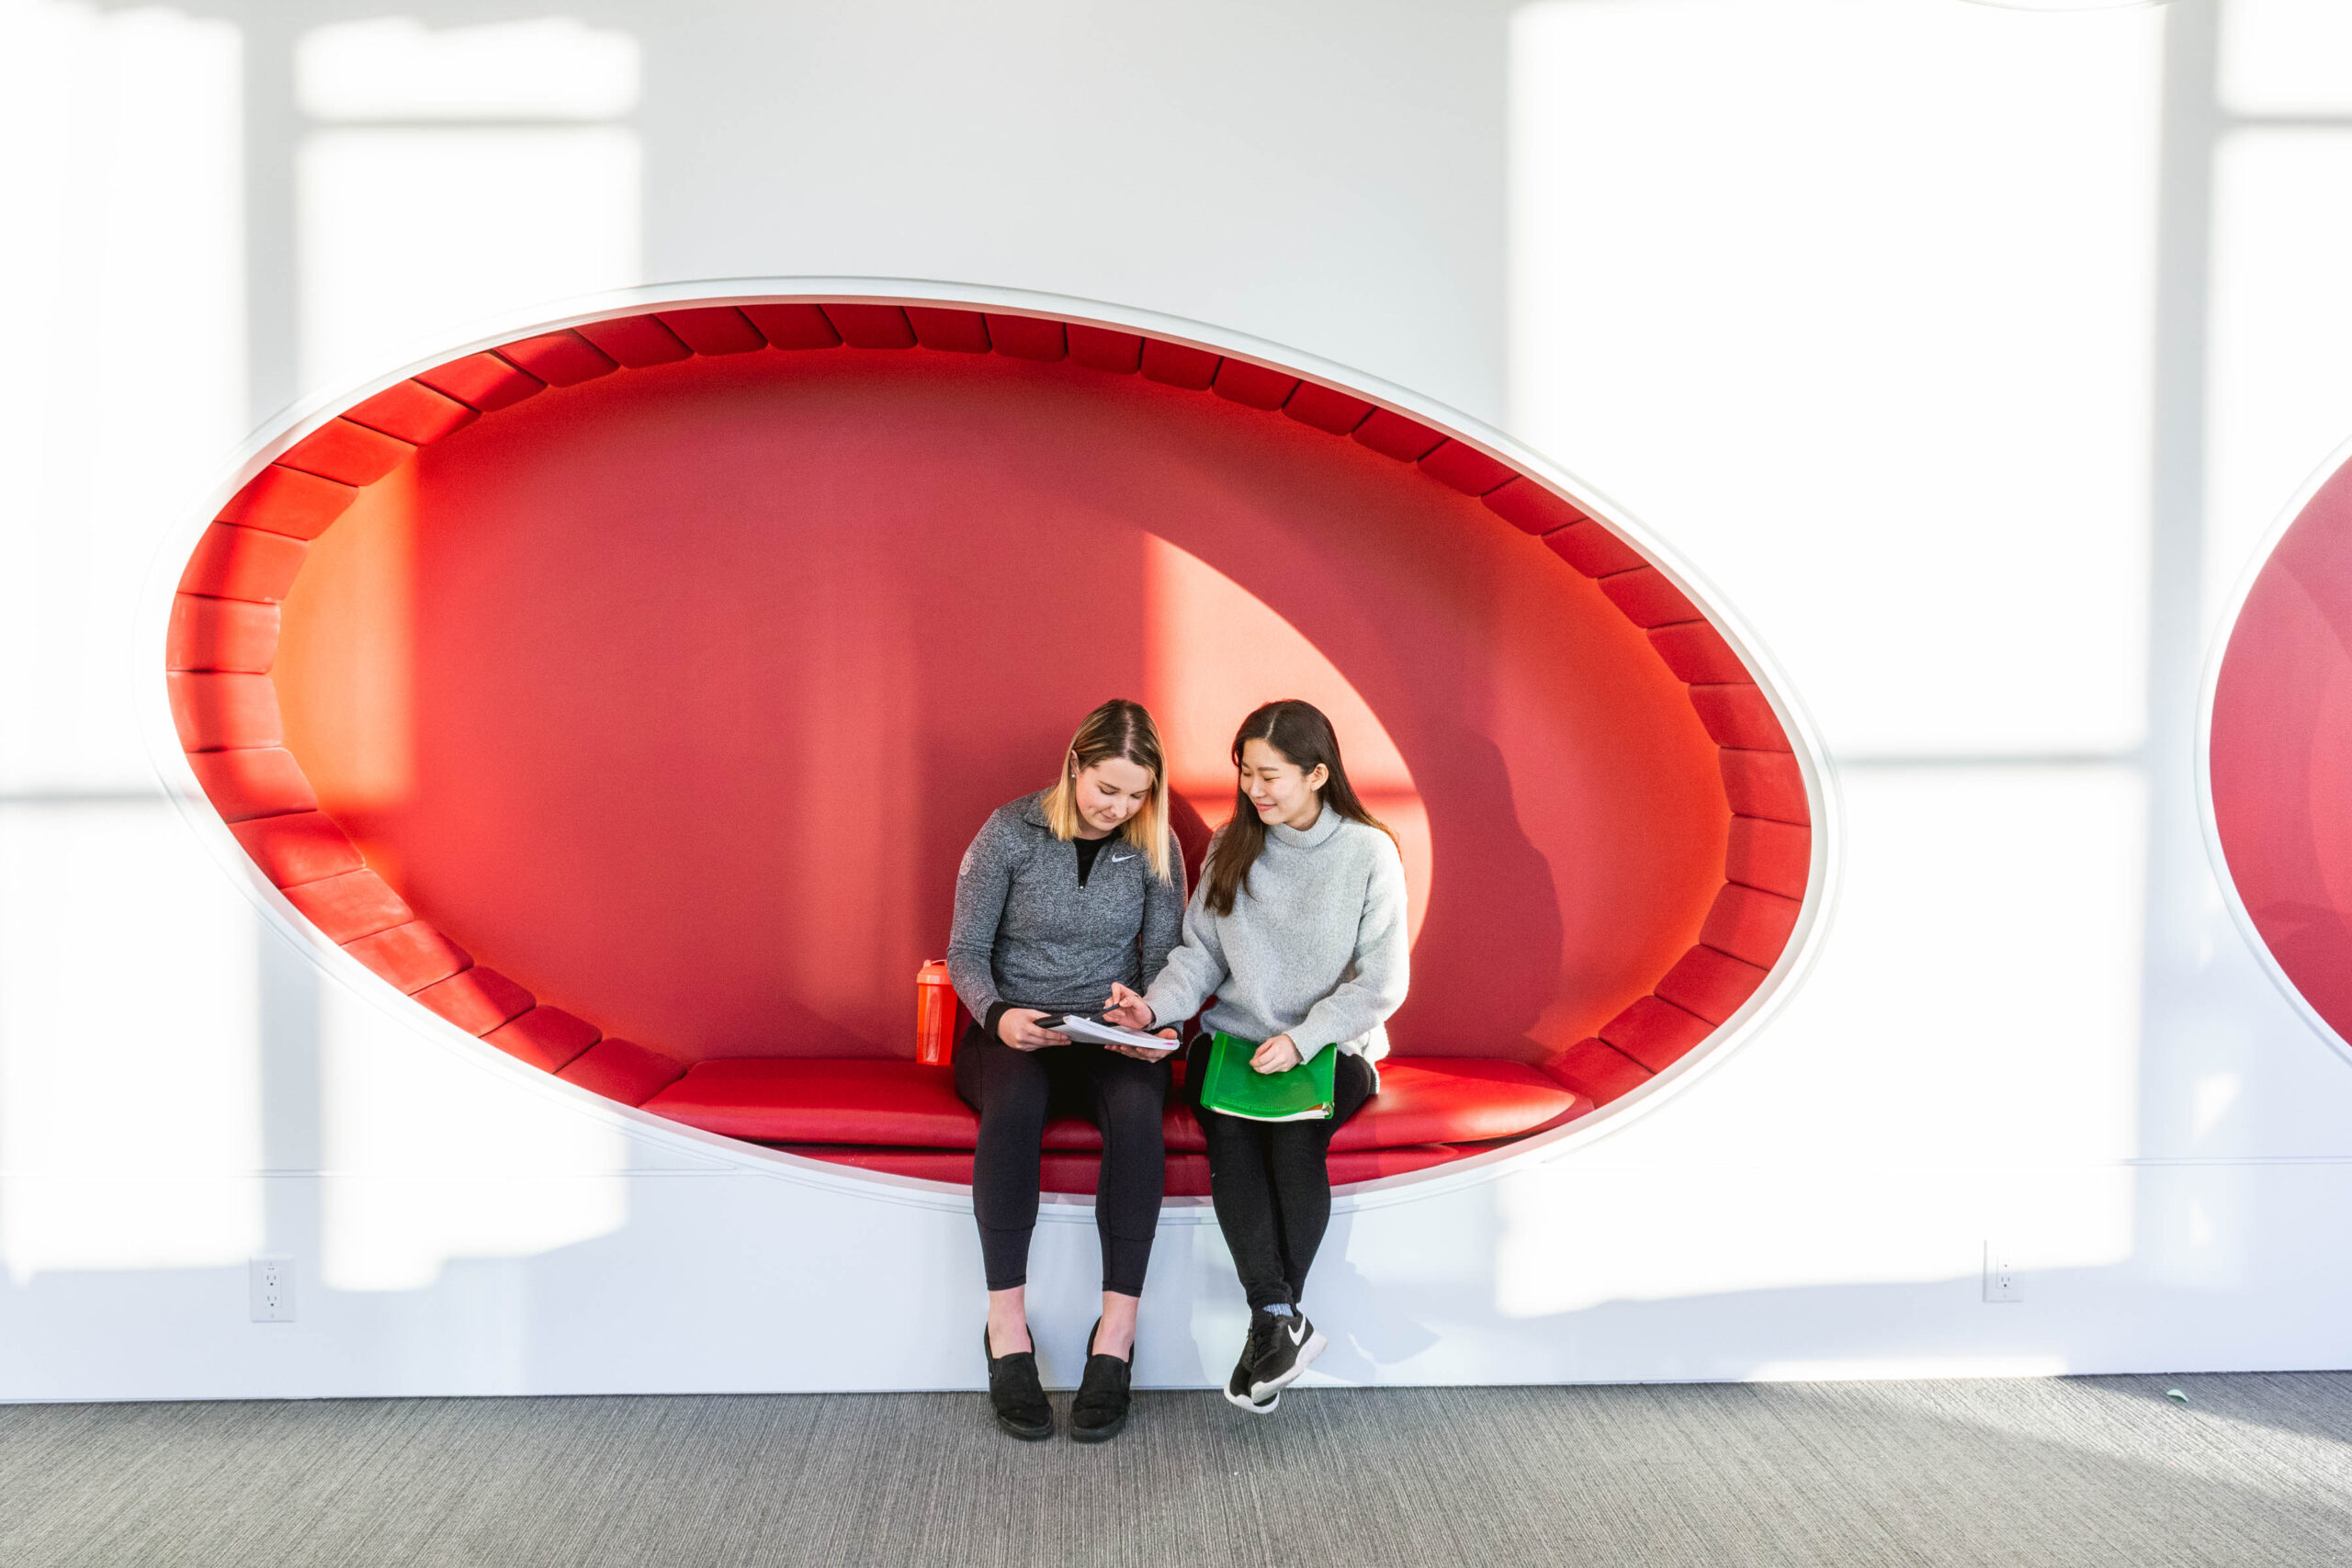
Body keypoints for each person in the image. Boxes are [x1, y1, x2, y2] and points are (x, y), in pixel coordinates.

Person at [1106, 698, 1408, 1414]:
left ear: (1317, 773)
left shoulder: (1368, 852)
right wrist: (1155, 1007)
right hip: (1236, 1040)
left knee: (1295, 1139)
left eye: (1270, 775)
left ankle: (1272, 1322)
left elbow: (1382, 982)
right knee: (1232, 1138)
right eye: (1246, 773)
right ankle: (1280, 1323)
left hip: (1332, 1045)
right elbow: (1200, 955)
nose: (1255, 789)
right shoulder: (1231, 844)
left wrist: (1303, 1039)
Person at [946, 698, 1185, 1442]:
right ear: (1075, 765)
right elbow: (965, 952)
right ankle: (1005, 1329)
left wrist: (1143, 1013)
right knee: (1013, 1107)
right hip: (1015, 1026)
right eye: (1106, 788)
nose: (1119, 807)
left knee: (1140, 1117)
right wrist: (998, 1015)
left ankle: (1115, 1337)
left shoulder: (1155, 844)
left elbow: (1163, 957)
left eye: (1136, 793)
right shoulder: (1008, 832)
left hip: (1108, 1033)